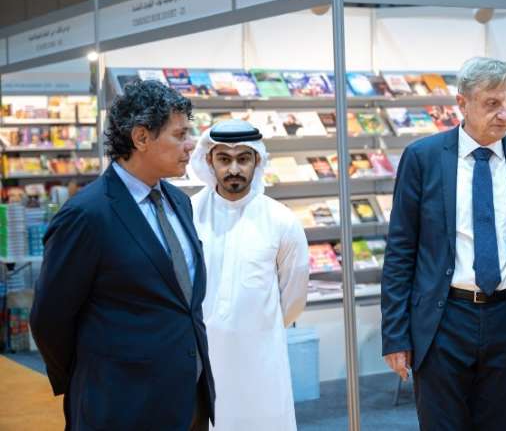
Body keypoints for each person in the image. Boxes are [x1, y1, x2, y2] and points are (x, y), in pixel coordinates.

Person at [30, 79, 215, 430]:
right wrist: (91, 377)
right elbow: (49, 318)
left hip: (187, 399)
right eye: (179, 135)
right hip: (120, 404)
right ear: (141, 137)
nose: (191, 144)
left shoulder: (179, 202)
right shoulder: (87, 214)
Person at [381, 57, 506, 431]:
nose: (505, 114)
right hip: (444, 319)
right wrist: (395, 335)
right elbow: (400, 251)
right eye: (492, 103)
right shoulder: (423, 158)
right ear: (463, 103)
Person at [189, 119, 309, 430]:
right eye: (224, 159)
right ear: (209, 161)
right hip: (203, 354)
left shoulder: (281, 219)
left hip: (261, 354)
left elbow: (294, 296)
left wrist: (259, 326)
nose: (234, 169)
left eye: (243, 159)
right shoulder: (188, 213)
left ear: (257, 160)